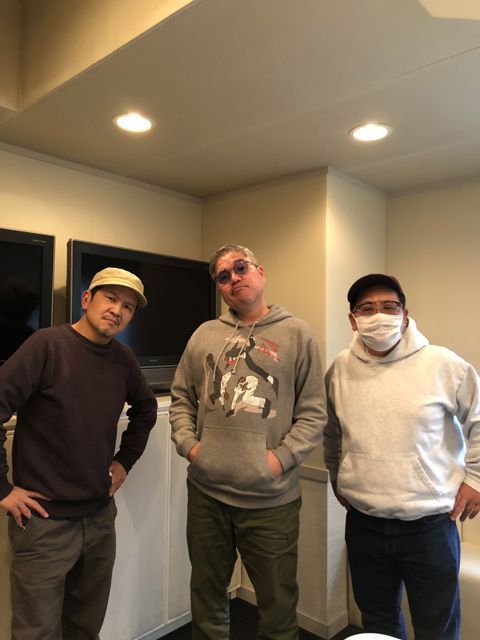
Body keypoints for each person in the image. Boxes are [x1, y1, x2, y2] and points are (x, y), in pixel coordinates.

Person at [169, 243, 327, 640]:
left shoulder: (297, 334)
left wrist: (277, 461)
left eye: (240, 268)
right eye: (223, 276)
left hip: (270, 501)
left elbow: (313, 412)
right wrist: (191, 447)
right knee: (207, 599)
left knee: (277, 607)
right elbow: (181, 398)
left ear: (260, 271)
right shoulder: (205, 334)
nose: (233, 278)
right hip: (207, 495)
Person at [0, 266, 158, 640]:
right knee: (36, 632)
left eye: (128, 306)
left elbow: (146, 408)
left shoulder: (123, 359)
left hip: (99, 518)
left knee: (85, 628)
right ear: (87, 299)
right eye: (111, 298)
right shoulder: (46, 346)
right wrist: (3, 489)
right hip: (43, 523)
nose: (118, 310)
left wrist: (124, 461)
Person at [324, 273, 480, 640]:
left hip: (429, 526)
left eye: (389, 306)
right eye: (366, 308)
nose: (379, 315)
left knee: (437, 627)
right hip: (364, 523)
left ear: (405, 315)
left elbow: (478, 420)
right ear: (353, 320)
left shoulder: (444, 365)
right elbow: (332, 431)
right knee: (377, 622)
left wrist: (476, 479)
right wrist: (336, 474)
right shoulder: (340, 369)